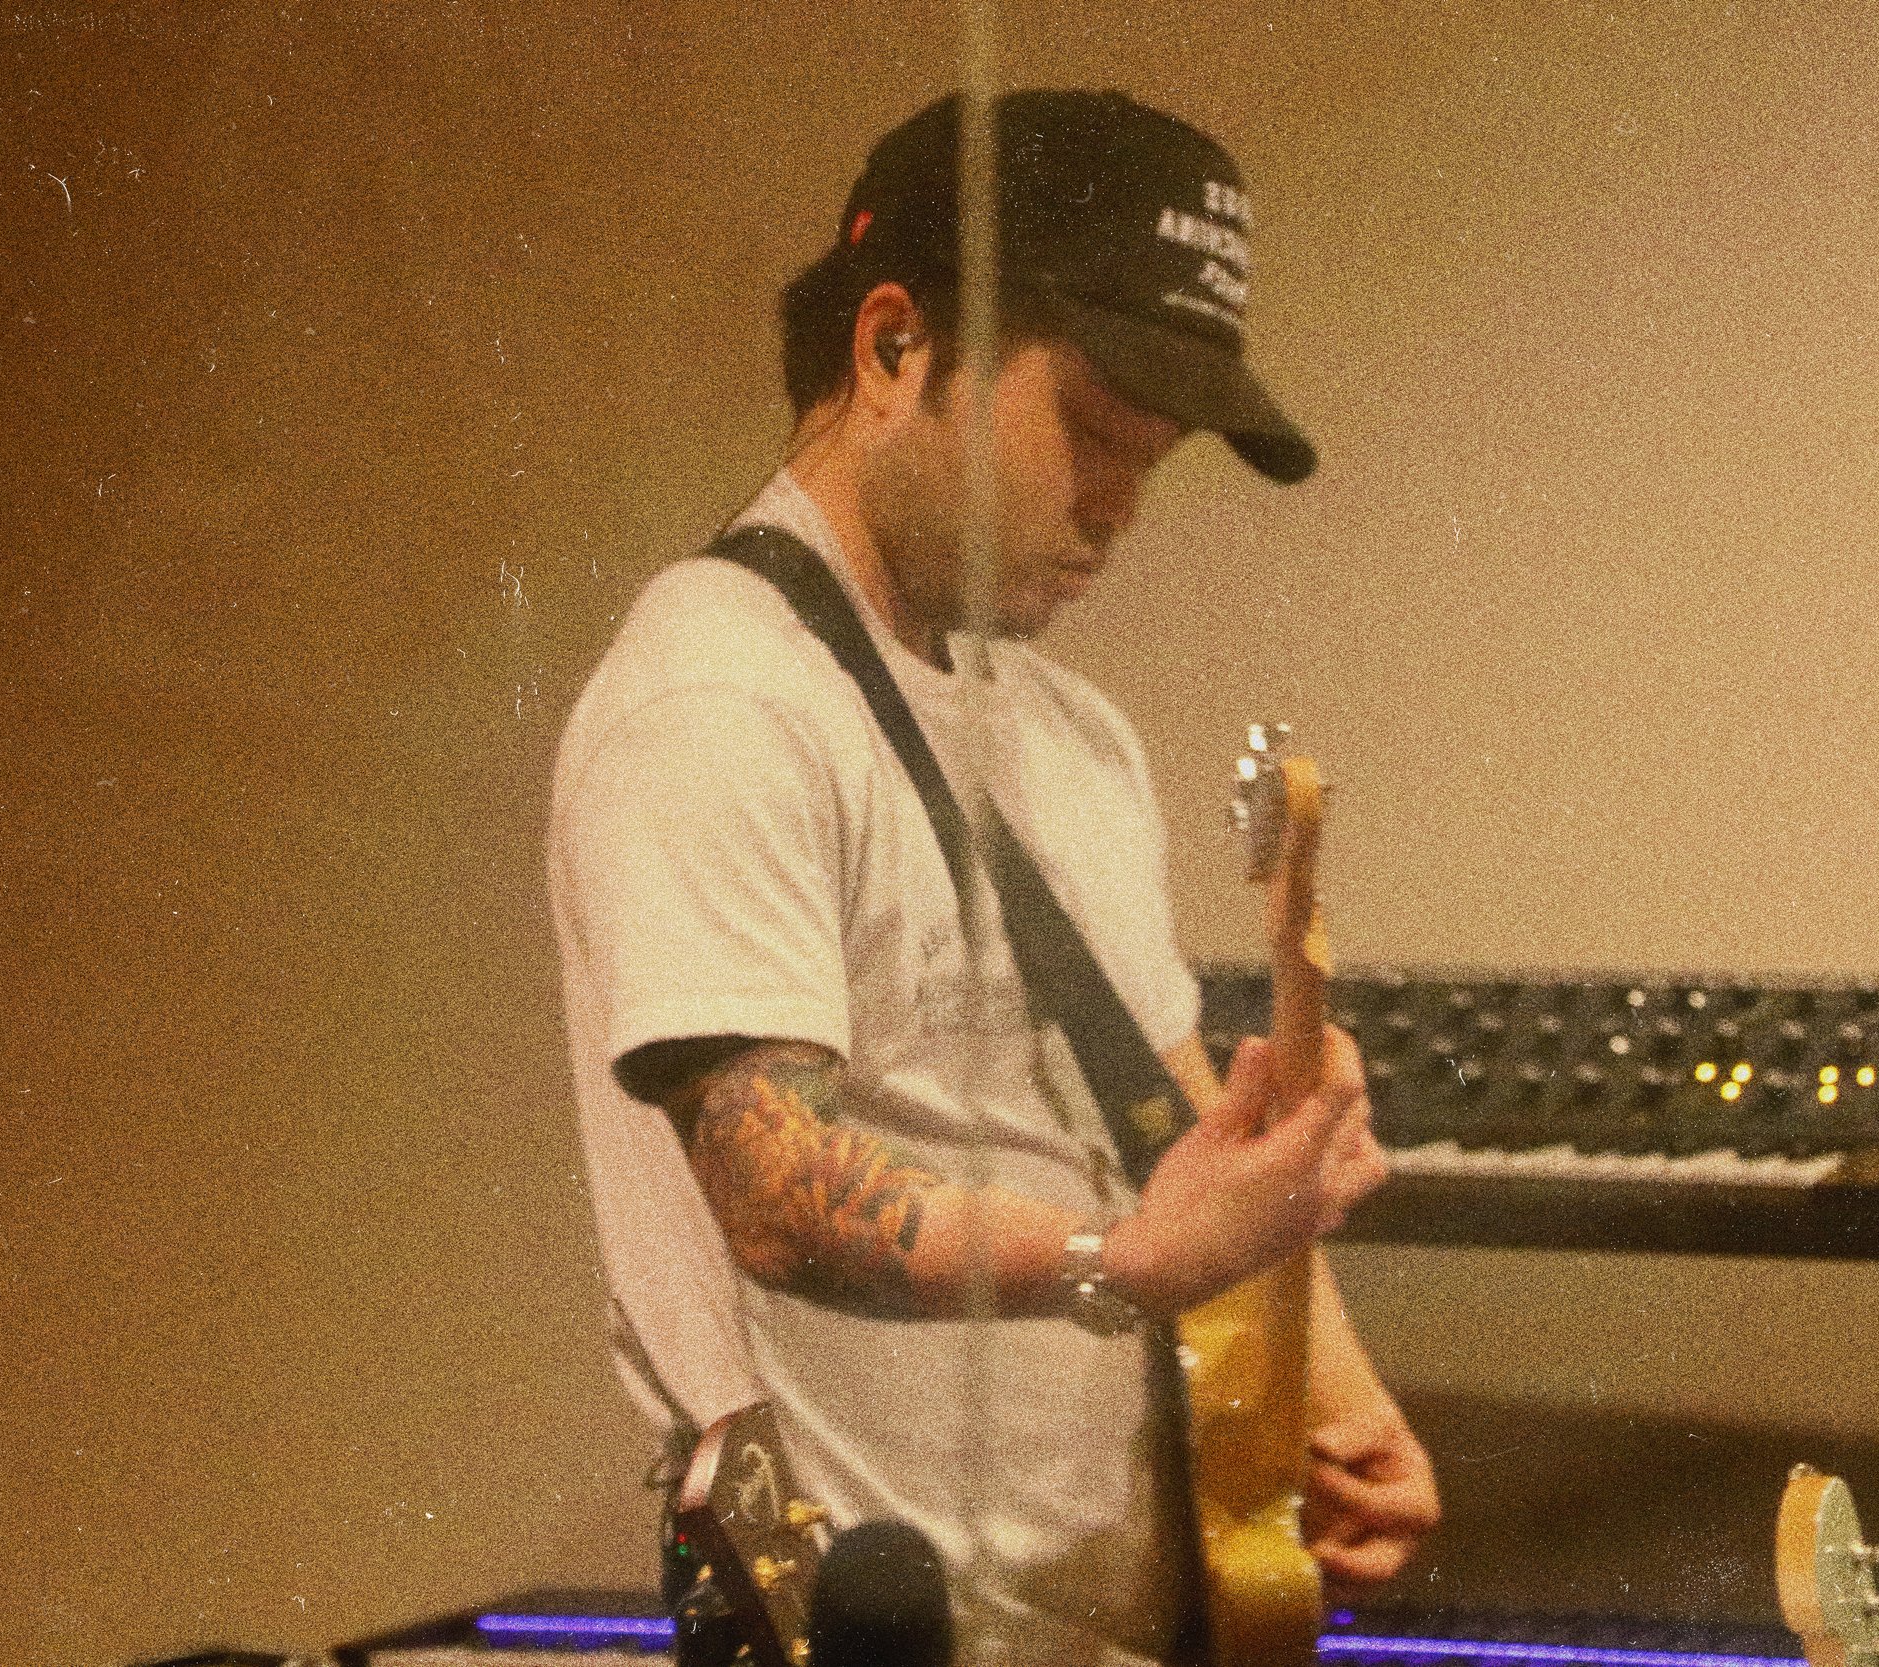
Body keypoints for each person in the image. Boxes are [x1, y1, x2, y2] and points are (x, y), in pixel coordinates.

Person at [549, 89, 1439, 1666]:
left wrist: (1321, 1373)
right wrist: (1126, 1264)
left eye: (1152, 461)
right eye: (1092, 432)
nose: (1117, 509)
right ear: (894, 349)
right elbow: (767, 1184)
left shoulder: (1066, 732)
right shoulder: (720, 700)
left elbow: (1161, 1116)